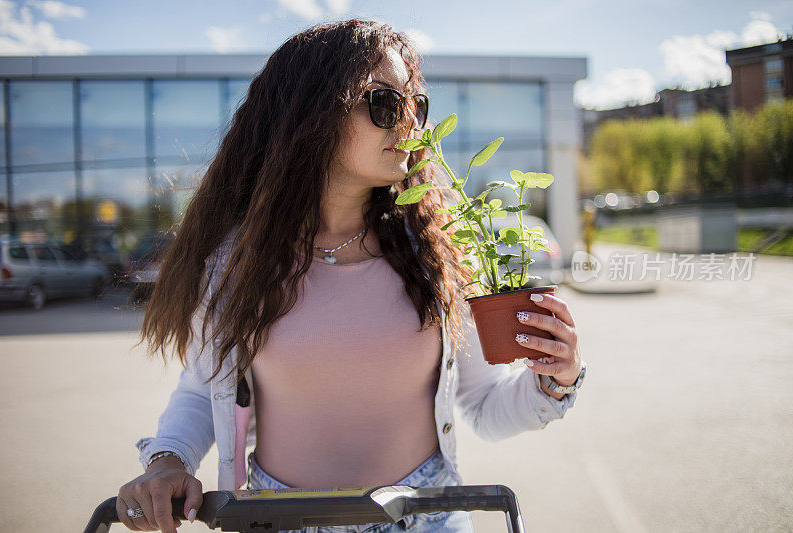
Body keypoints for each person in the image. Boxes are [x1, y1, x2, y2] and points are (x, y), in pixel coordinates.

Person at [116, 18, 585, 533]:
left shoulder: (438, 249)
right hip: (279, 522)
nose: (409, 123)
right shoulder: (235, 262)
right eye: (385, 103)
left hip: (426, 518)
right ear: (310, 114)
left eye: (418, 106)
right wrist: (168, 461)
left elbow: (484, 406)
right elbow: (203, 388)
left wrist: (553, 380)